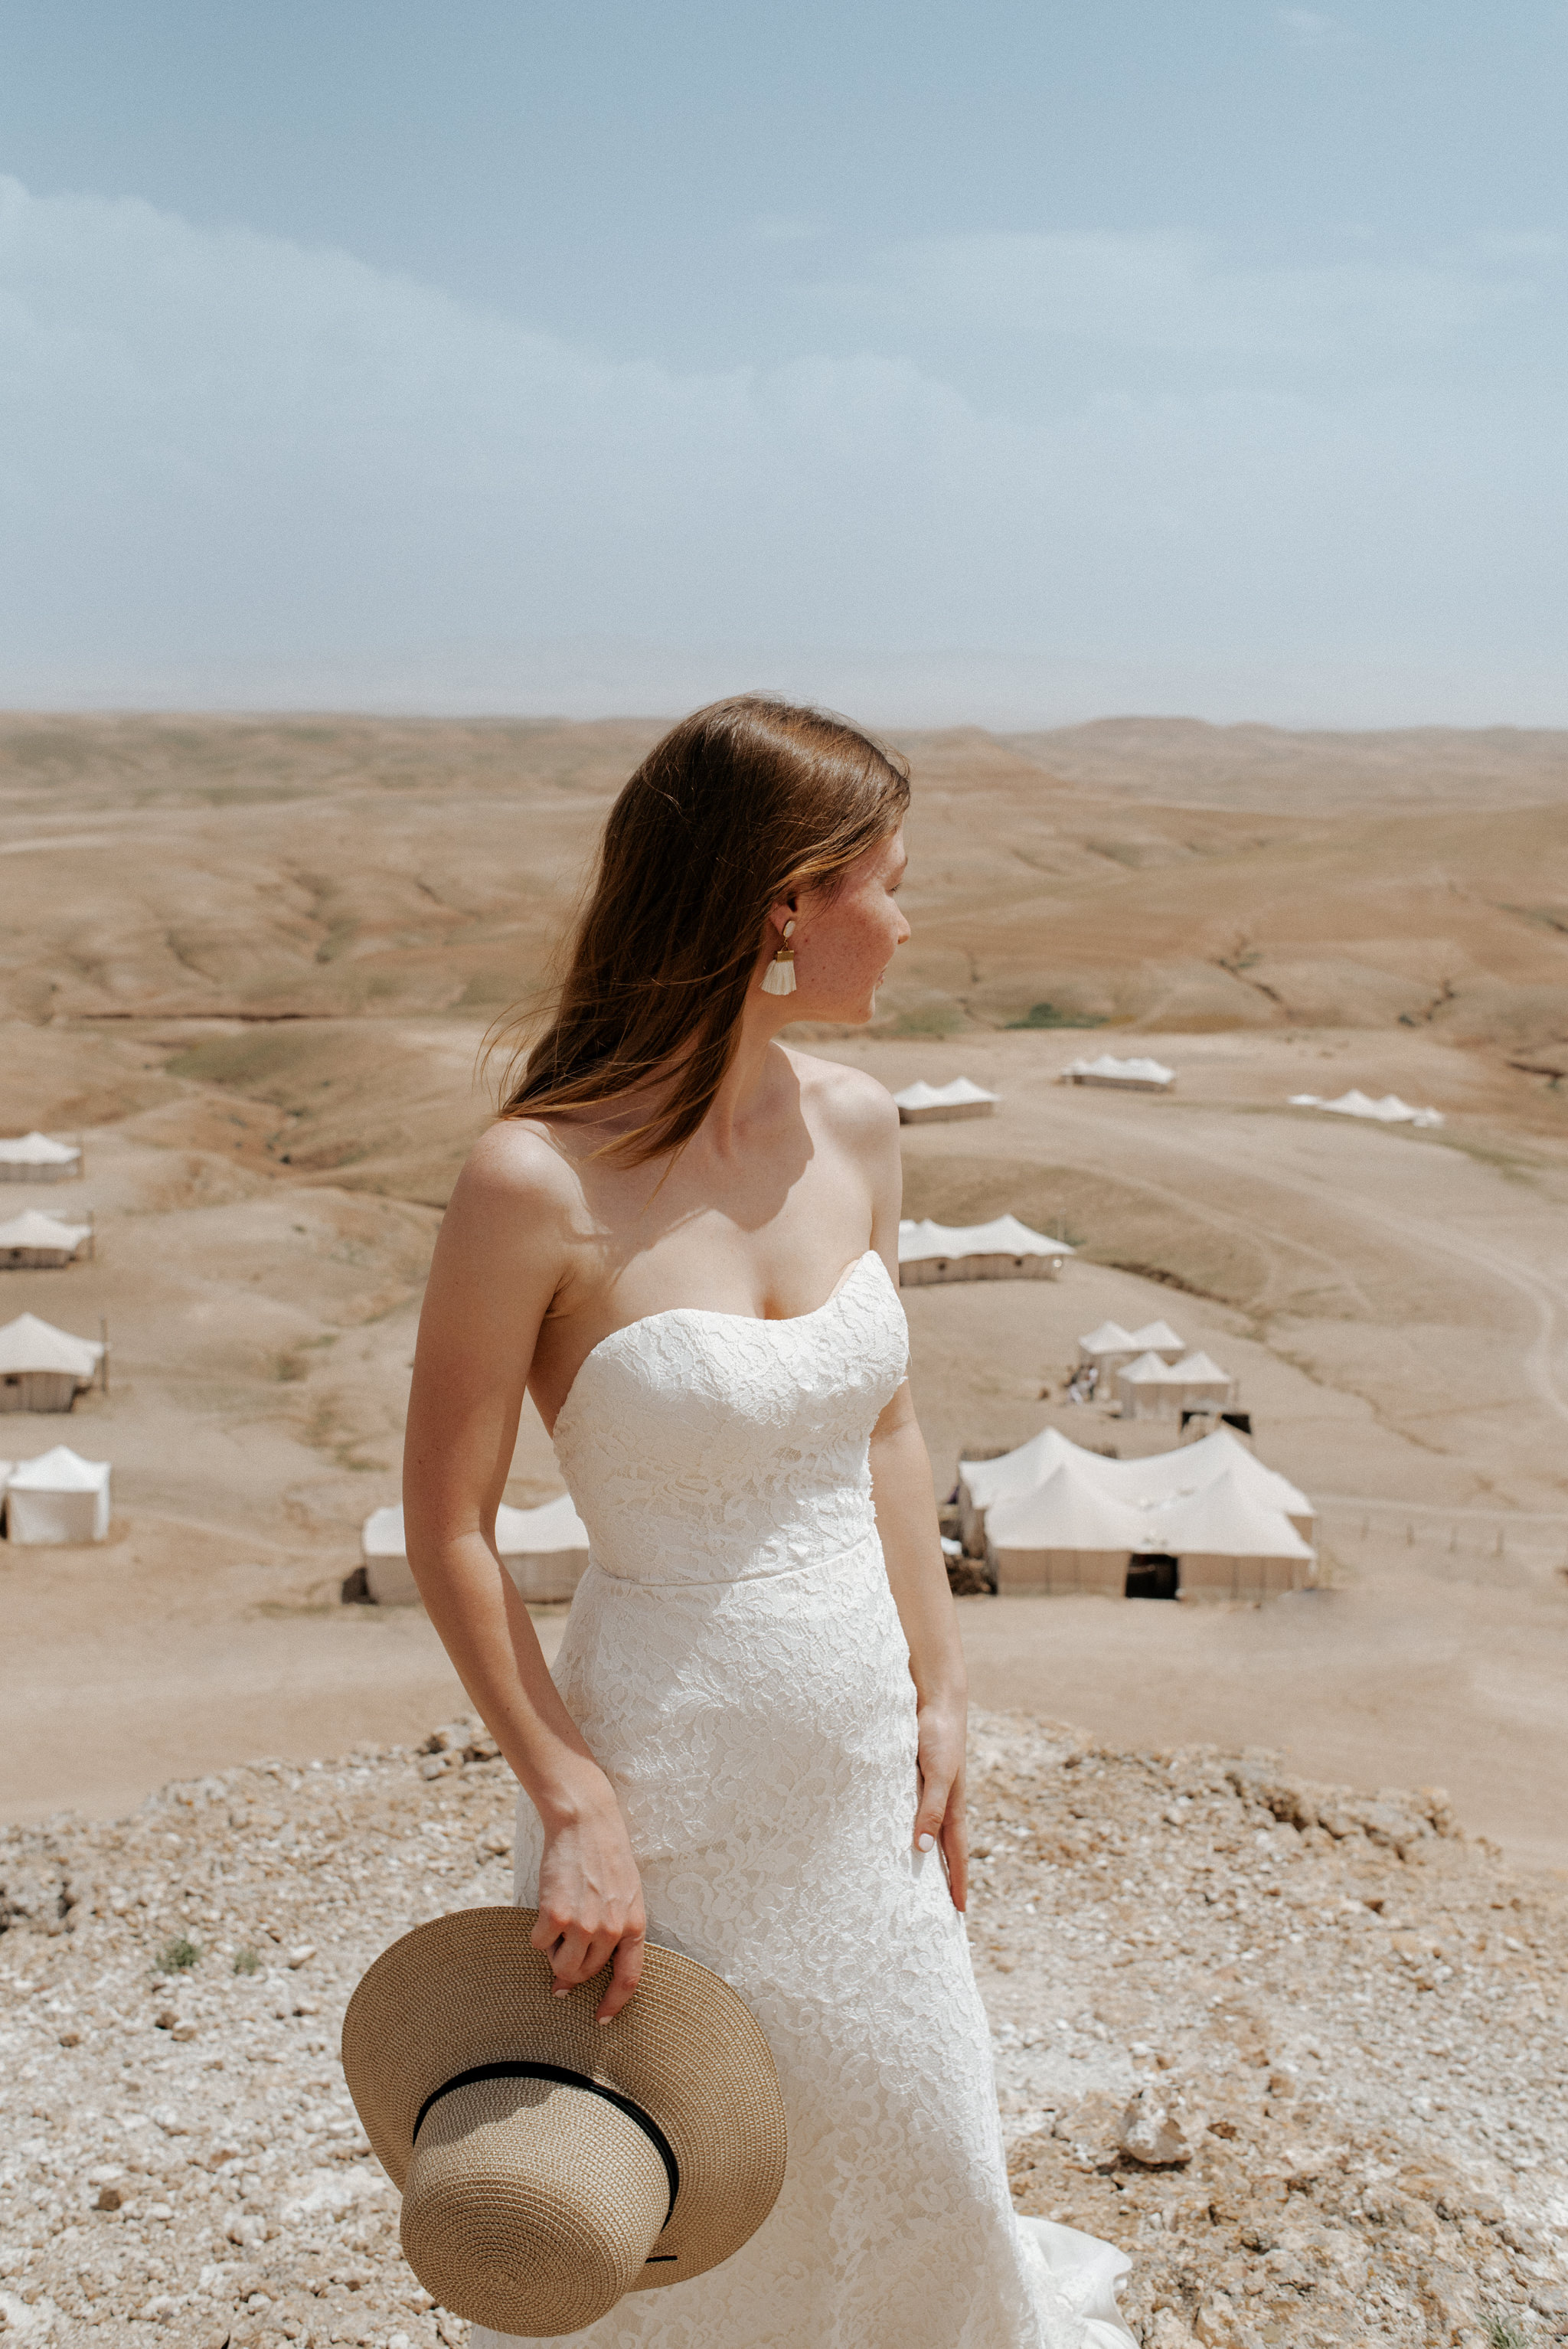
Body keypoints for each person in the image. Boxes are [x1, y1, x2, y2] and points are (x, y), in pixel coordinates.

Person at [402, 697, 1134, 2347]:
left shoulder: (861, 1126)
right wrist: (573, 1799)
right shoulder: (533, 1179)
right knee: (704, 2221)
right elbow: (444, 1523)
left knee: (923, 2156)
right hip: (666, 1795)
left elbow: (881, 1417)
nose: (909, 915)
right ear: (785, 902)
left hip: (863, 1781)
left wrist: (940, 1690)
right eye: (890, 876)